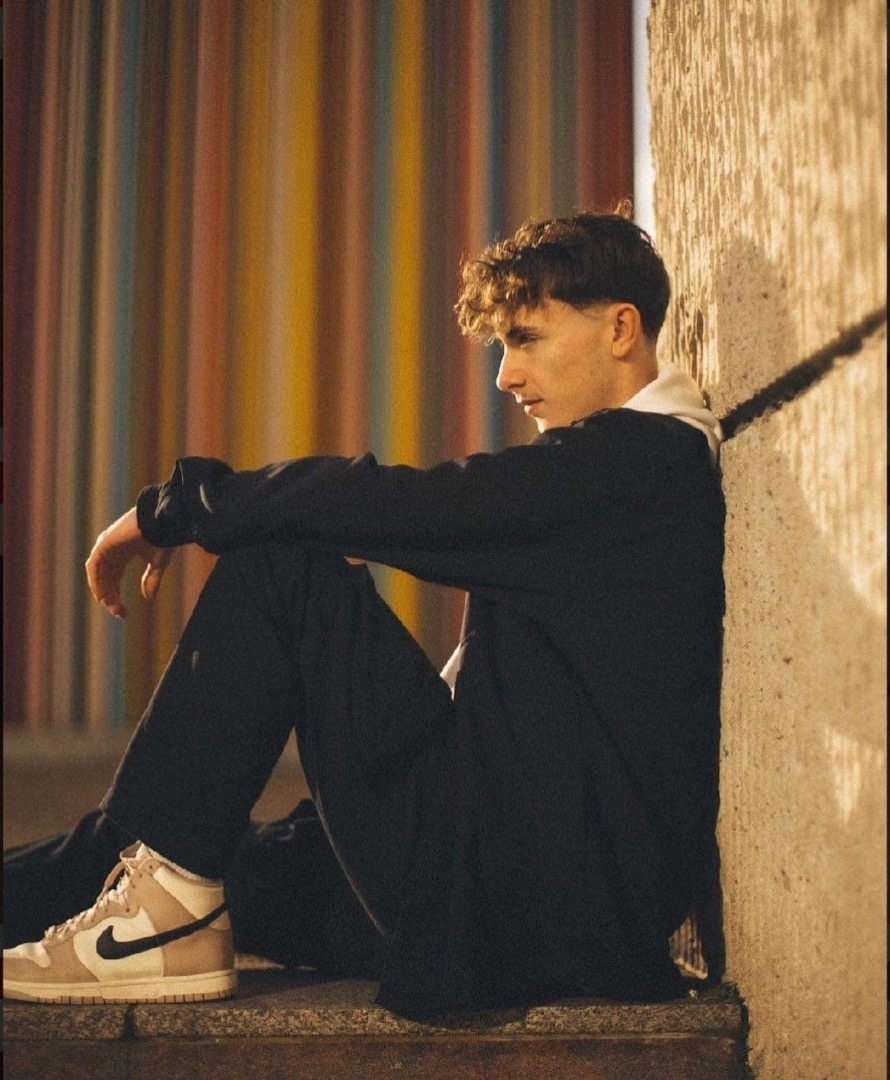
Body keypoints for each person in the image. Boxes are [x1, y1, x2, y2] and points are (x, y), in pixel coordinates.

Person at [3, 208, 725, 1021]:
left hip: (523, 905)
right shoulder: (629, 471)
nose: (506, 376)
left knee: (283, 572)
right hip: (515, 884)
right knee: (153, 848)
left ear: (621, 328)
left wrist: (176, 508)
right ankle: (153, 899)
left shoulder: (636, 467)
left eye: (526, 339)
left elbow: (406, 505)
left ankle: (158, 917)